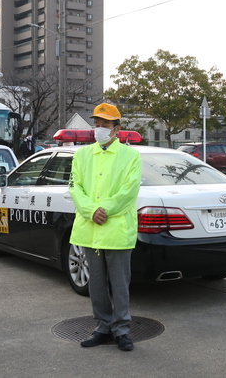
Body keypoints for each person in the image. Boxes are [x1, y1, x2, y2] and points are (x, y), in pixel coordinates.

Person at [69, 103, 141, 352]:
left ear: (116, 129)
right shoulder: (82, 155)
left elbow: (129, 190)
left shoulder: (131, 156)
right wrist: (91, 210)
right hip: (90, 229)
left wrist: (105, 209)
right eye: (96, 124)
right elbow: (75, 187)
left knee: (120, 284)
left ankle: (122, 330)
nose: (98, 128)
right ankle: (102, 327)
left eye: (105, 125)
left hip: (116, 229)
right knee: (96, 283)